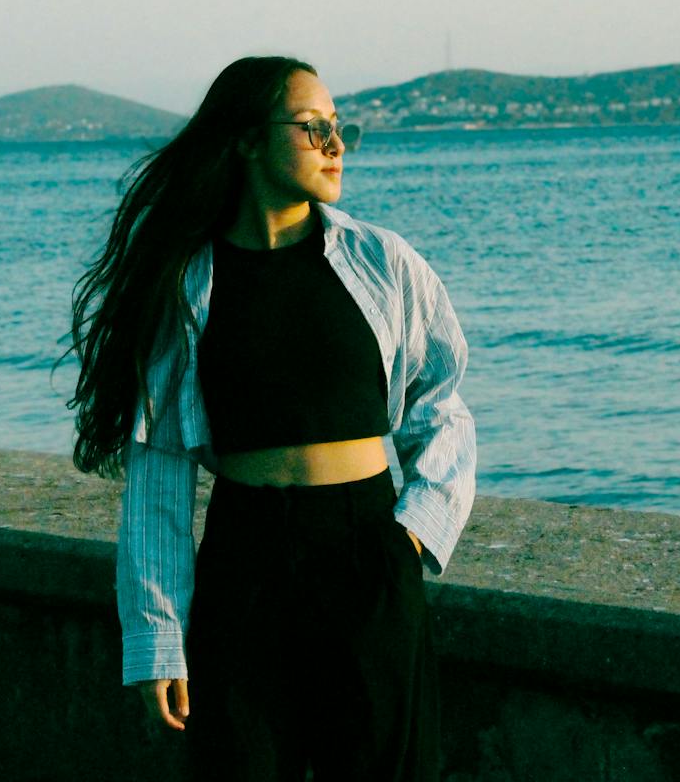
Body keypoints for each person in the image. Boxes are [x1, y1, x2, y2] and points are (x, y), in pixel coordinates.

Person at [64, 55, 476, 781]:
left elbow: (442, 402)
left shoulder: (381, 261)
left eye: (340, 129)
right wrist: (158, 637)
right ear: (249, 139)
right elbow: (158, 473)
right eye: (313, 128)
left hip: (366, 551)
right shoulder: (189, 285)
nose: (336, 145)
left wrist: (412, 535)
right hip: (245, 557)